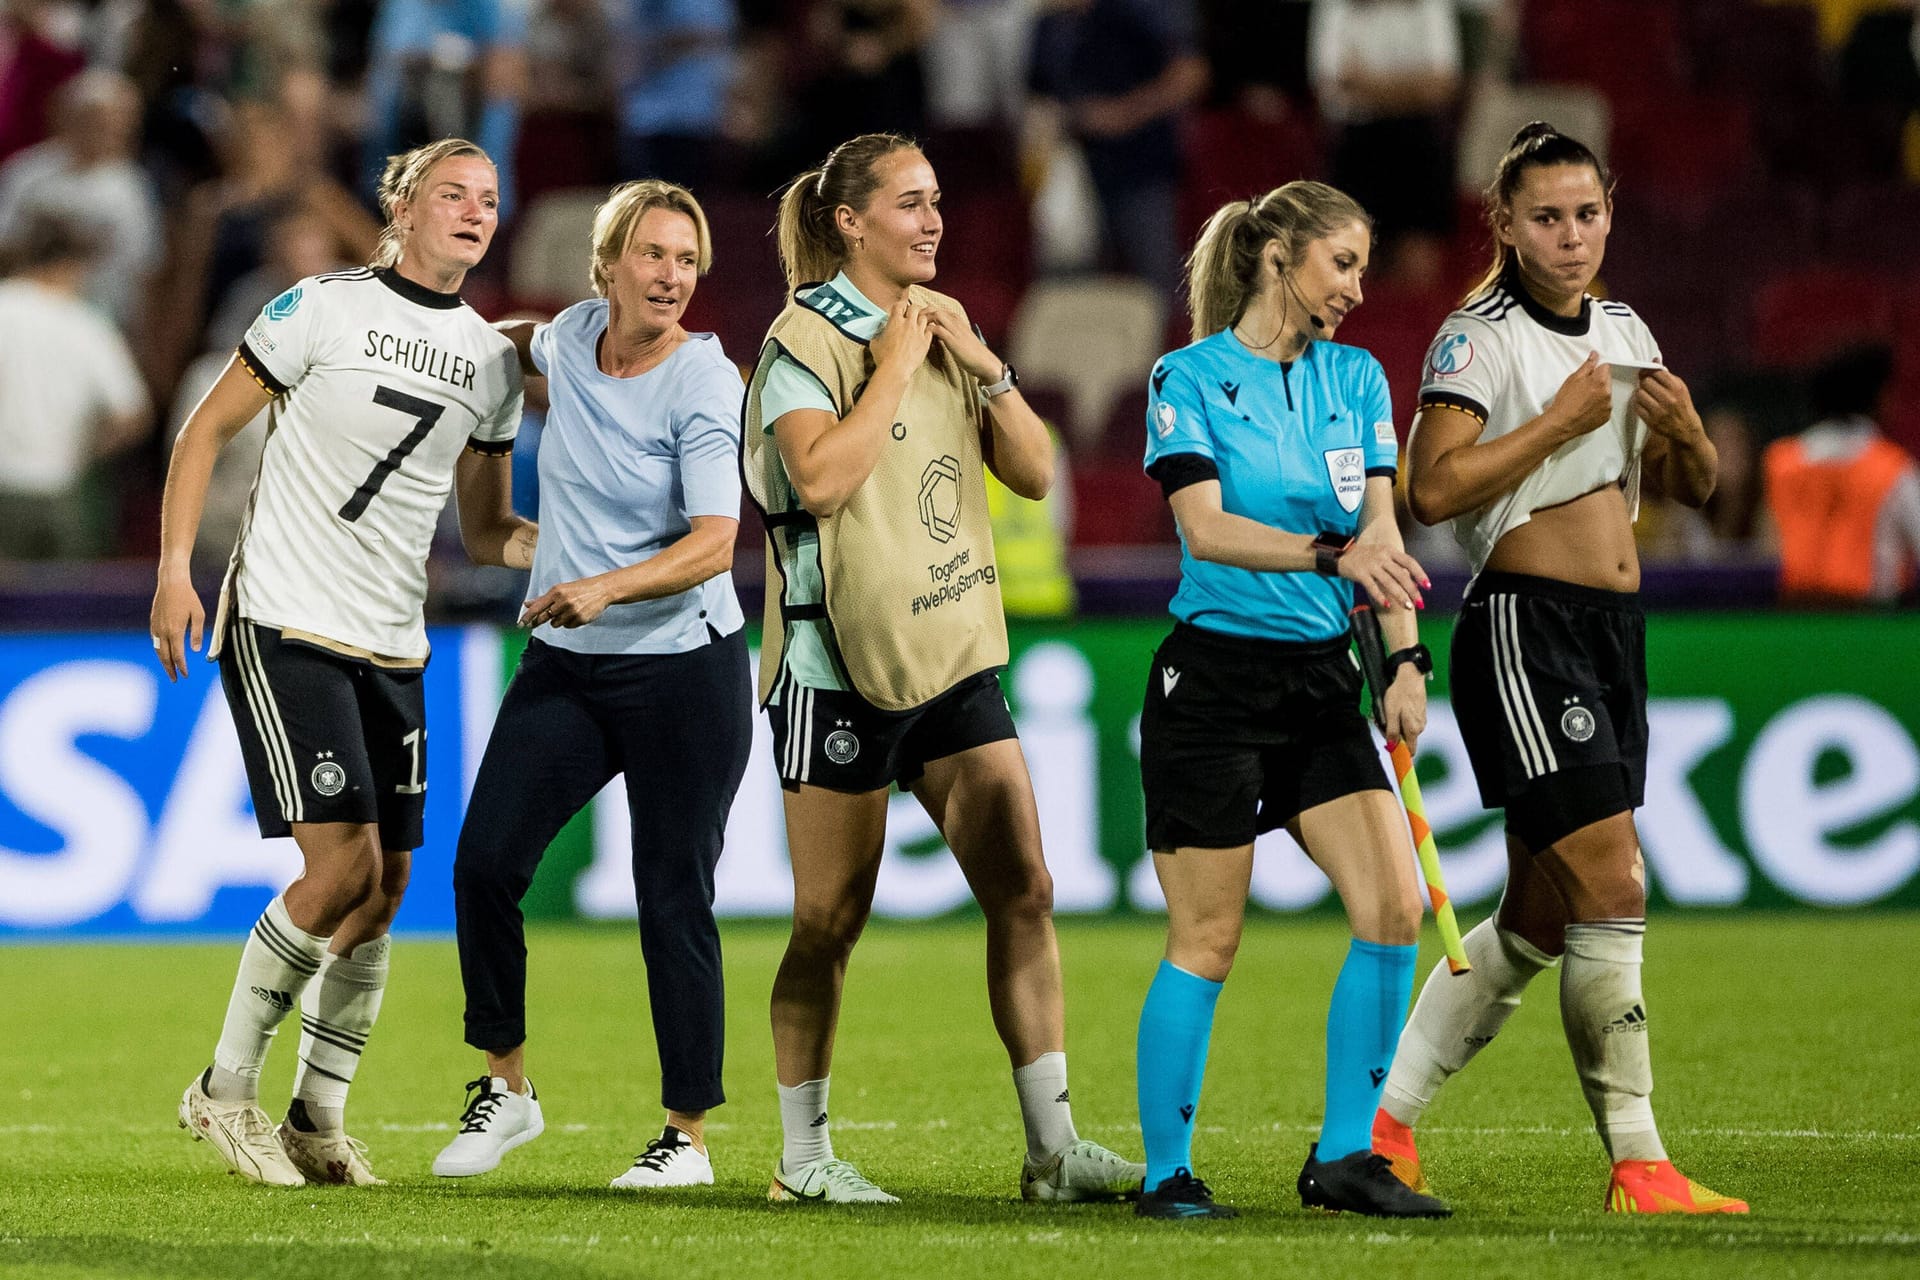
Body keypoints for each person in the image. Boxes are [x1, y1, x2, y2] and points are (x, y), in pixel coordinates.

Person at [740, 131, 1143, 1204]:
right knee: (828, 921)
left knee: (1027, 885)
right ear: (850, 223)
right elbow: (818, 477)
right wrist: (900, 369)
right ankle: (803, 1156)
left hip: (950, 648)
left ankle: (1052, 1150)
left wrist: (984, 364)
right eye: (910, 204)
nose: (934, 221)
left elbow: (1034, 466)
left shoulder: (945, 324)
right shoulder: (803, 340)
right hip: (838, 663)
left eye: (936, 202)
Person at [1382, 122, 1748, 1215]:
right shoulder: (1475, 340)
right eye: (1546, 216)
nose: (1572, 235)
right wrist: (1554, 422)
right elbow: (1431, 492)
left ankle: (1384, 1125)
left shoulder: (1625, 326)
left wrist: (1682, 435)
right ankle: (1640, 1164)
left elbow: (1691, 487)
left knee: (1542, 916)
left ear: (1610, 210)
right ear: (1503, 223)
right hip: (1524, 628)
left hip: (1610, 633)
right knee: (1616, 884)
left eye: (1587, 213)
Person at [151, 138, 530, 1188]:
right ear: (401, 206)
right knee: (340, 869)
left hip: (392, 637)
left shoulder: (494, 361)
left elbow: (489, 526)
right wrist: (176, 569)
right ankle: (224, 1089)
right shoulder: (319, 305)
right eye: (451, 192)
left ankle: (318, 1114)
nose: (473, 210)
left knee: (390, 878)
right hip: (285, 616)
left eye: (488, 199)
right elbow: (202, 432)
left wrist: (584, 552)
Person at [1130, 182, 1449, 1222]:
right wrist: (1333, 553)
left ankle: (1346, 1156)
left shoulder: (1356, 380)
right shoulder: (1187, 376)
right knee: (1208, 937)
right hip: (1212, 683)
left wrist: (1407, 666)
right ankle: (1167, 1171)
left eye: (1360, 267)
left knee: (1393, 907)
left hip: (1321, 679)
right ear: (1281, 256)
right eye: (1343, 264)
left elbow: (1384, 545)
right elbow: (1207, 529)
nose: (1357, 287)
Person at [428, 179, 753, 1188]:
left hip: (684, 671)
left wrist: (601, 585)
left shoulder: (706, 380)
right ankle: (507, 1089)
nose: (671, 276)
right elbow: (501, 341)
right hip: (568, 667)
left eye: (687, 259)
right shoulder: (569, 337)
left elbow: (714, 543)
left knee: (672, 898)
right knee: (483, 865)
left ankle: (686, 1138)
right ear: (605, 266)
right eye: (652, 255)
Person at [0, 212, 150, 559]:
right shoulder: (88, 324)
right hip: (62, 491)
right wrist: (86, 453)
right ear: (73, 264)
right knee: (66, 609)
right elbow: (131, 417)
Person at [1763, 342, 1920, 604]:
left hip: (1794, 621)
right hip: (1872, 624)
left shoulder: (1780, 462)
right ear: (1878, 396)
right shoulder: (1894, 469)